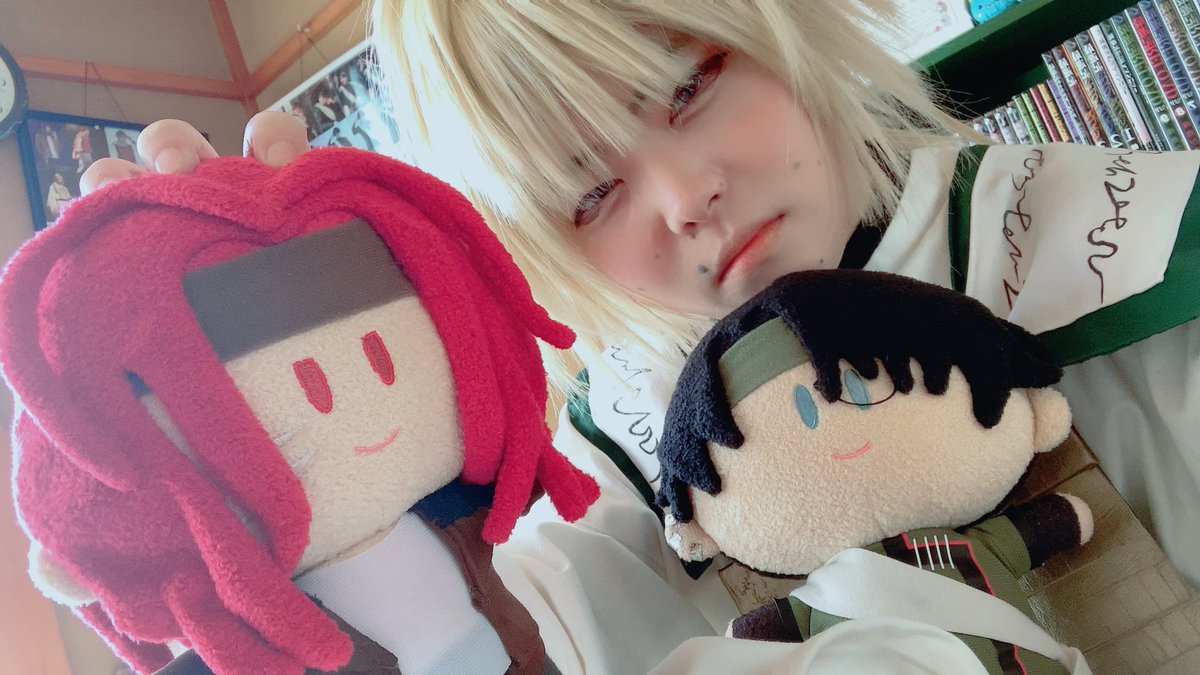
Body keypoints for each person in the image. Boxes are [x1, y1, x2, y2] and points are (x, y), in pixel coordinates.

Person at [80, 0, 1199, 671]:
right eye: (589, 193)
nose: (683, 198)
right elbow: (500, 634)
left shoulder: (1132, 252)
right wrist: (320, 512)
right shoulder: (627, 456)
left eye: (692, 83)